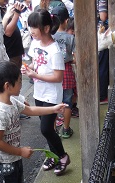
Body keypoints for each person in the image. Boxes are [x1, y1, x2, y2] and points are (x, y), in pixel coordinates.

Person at [25, 9, 71, 175]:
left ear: (45, 28)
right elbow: (34, 63)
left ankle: (63, 156)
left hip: (51, 96)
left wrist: (35, 74)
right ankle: (53, 156)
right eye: (30, 27)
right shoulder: (35, 43)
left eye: (34, 27)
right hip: (39, 92)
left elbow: (58, 77)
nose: (31, 31)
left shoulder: (55, 50)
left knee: (45, 129)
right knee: (48, 128)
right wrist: (28, 68)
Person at [51, 5, 74, 139]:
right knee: (67, 103)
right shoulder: (70, 38)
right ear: (66, 21)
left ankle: (54, 131)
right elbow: (74, 56)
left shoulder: (50, 36)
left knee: (54, 103)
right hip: (67, 71)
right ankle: (65, 129)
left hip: (53, 73)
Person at [0, 0, 26, 68]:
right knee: (12, 76)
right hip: (9, 53)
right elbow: (7, 32)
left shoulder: (4, 7)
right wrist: (17, 14)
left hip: (15, 51)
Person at [98, 0, 109, 104]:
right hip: (100, 36)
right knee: (102, 67)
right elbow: (103, 16)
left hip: (92, 34)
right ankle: (101, 96)